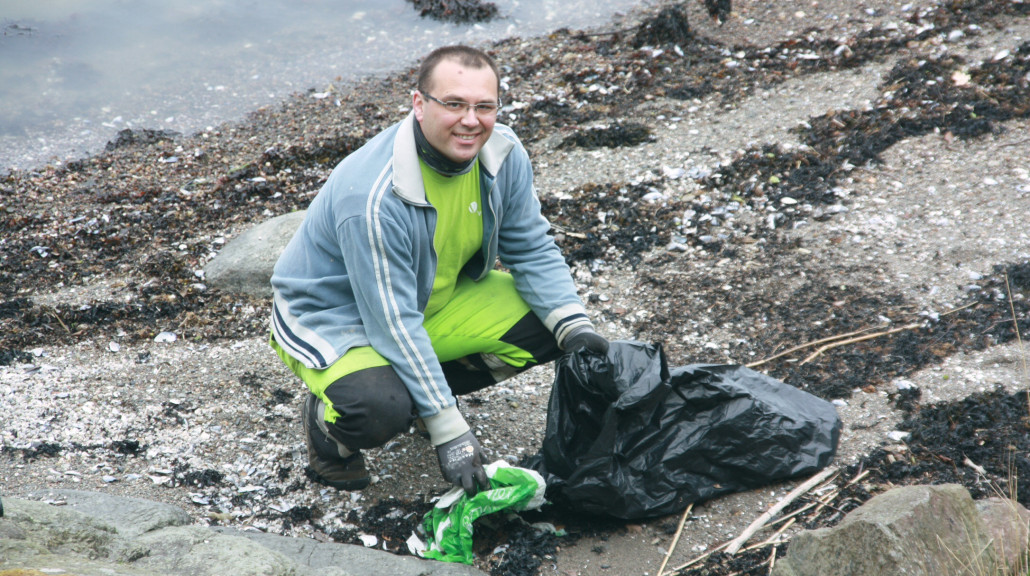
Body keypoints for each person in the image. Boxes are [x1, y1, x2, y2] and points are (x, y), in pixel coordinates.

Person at [269, 45, 608, 495]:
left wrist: (577, 329)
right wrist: (449, 427)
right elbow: (391, 321)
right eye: (454, 104)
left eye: (484, 106)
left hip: (430, 299)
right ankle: (328, 426)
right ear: (419, 104)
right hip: (336, 317)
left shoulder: (502, 154)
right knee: (377, 408)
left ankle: (418, 395)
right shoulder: (373, 198)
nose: (471, 120)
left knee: (553, 327)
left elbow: (529, 246)